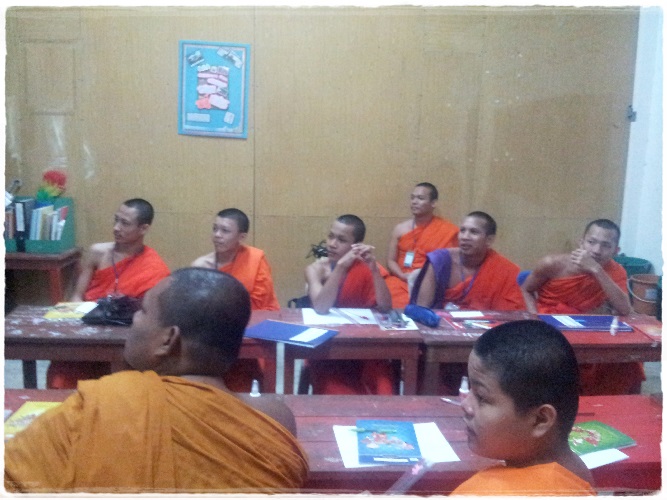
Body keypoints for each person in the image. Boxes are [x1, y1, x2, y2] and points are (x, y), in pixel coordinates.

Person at [5, 268, 308, 493]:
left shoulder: (99, 409)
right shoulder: (276, 419)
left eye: (143, 311)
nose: (133, 319)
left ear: (168, 340)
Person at [451, 320, 595, 496]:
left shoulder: (485, 493)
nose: (465, 405)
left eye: (481, 397)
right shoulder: (576, 475)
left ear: (540, 420)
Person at [48, 198, 171, 389]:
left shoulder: (154, 267)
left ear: (143, 228)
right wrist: (75, 327)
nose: (116, 228)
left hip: (124, 340)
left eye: (125, 223)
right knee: (61, 376)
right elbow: (77, 296)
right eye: (116, 220)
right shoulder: (97, 252)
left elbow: (150, 317)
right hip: (87, 329)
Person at [521, 219, 642, 395]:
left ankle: (609, 404)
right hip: (551, 325)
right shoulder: (553, 264)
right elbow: (526, 289)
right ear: (581, 242)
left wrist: (597, 270)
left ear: (616, 251)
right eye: (591, 242)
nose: (596, 250)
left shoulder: (616, 272)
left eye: (605, 245)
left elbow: (625, 310)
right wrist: (535, 319)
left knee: (627, 363)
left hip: (589, 328)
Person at [192, 208, 280, 392]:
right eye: (215, 229)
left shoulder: (255, 259)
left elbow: (261, 305)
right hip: (214, 336)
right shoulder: (201, 265)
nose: (217, 235)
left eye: (225, 231)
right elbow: (196, 309)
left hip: (252, 329)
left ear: (241, 236)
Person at [304, 214, 394, 395]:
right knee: (340, 396)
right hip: (327, 351)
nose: (332, 244)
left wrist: (374, 269)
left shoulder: (366, 268)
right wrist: (340, 267)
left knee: (385, 392)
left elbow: (385, 307)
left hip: (364, 349)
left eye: (341, 240)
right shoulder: (316, 269)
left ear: (356, 246)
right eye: (331, 236)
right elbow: (321, 307)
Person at [411, 211, 525, 311]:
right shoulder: (439, 261)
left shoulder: (505, 270)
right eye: (462, 231)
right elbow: (422, 309)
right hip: (439, 326)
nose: (465, 237)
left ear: (489, 240)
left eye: (473, 232)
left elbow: (510, 316)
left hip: (486, 328)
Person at [384, 182, 458, 308]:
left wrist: (424, 279)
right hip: (401, 281)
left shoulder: (449, 231)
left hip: (429, 284)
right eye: (412, 198)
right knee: (388, 296)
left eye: (420, 198)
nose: (414, 202)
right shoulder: (400, 229)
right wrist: (402, 276)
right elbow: (391, 260)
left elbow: (451, 266)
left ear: (433, 203)